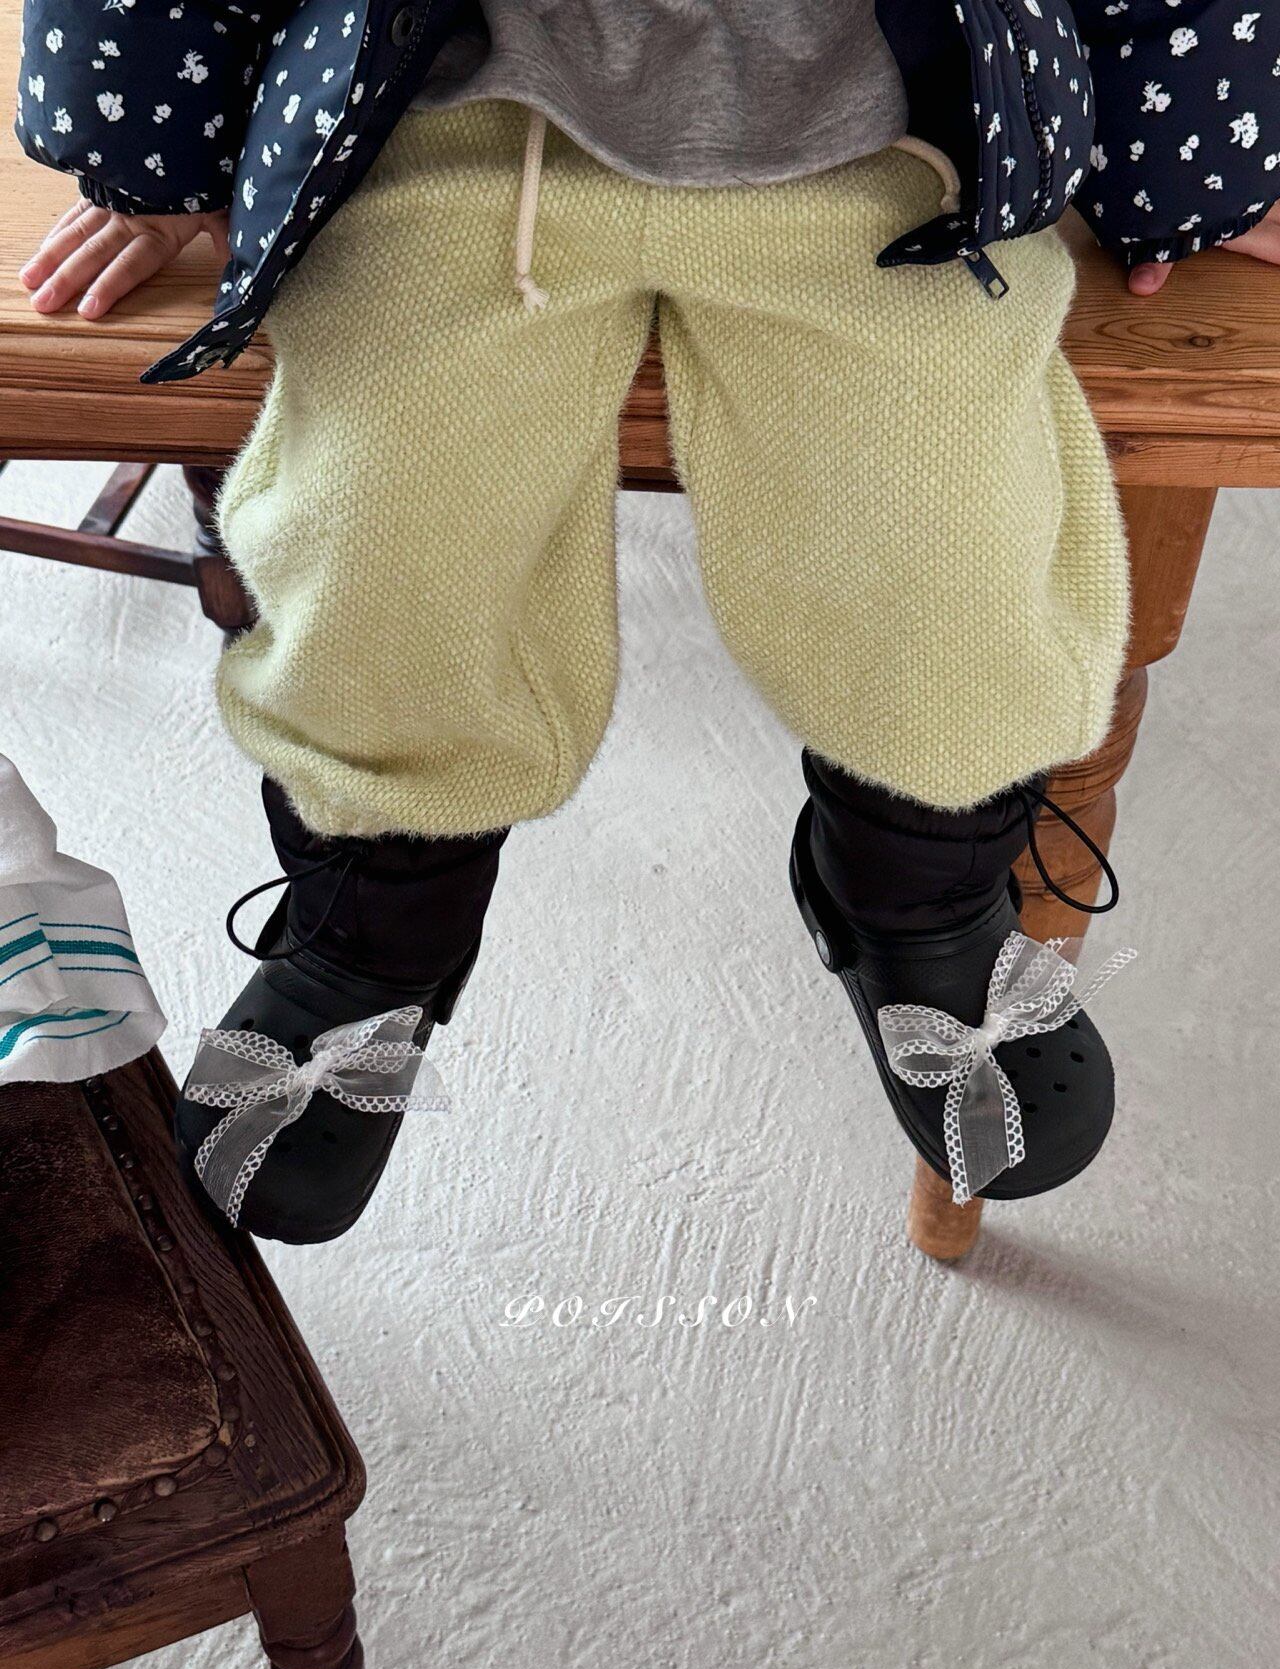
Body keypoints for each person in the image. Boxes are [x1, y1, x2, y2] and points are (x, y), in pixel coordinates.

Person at [15, 2, 1279, 1240]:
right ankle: (382, 913)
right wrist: (150, 139)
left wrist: (1193, 169)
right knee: (373, 532)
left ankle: (915, 880)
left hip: (896, 142)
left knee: (947, 534)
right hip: (452, 108)